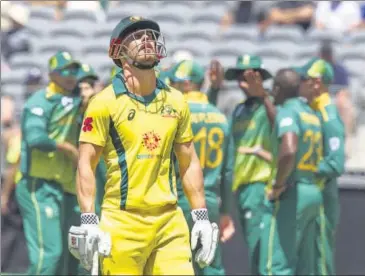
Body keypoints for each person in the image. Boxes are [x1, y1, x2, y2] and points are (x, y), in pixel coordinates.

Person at [69, 16, 219, 275]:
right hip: (122, 221)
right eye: (136, 36)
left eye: (150, 35)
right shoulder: (103, 103)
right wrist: (89, 219)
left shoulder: (176, 100)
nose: (147, 39)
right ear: (118, 51)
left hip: (169, 221)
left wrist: (201, 217)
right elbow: (86, 164)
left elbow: (189, 161)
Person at [247, 68, 323, 275]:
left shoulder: (289, 111)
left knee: (275, 266)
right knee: (304, 266)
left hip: (291, 193)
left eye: (273, 90)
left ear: (279, 89)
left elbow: (289, 149)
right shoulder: (311, 114)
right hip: (312, 191)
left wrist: (278, 185)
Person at [15, 51, 81, 275]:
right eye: (64, 70)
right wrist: (68, 148)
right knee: (49, 252)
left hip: (61, 186)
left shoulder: (75, 99)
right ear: (52, 74)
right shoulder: (39, 101)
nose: (71, 75)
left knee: (68, 252)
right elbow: (35, 139)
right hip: (38, 185)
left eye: (74, 70)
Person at [169, 60, 235, 275]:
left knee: (177, 262)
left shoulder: (173, 115)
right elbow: (228, 171)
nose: (169, 85)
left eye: (174, 81)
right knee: (211, 264)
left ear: (186, 84)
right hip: (211, 201)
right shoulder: (220, 117)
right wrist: (226, 211)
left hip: (179, 199)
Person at [210, 54, 273, 274]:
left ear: (260, 77)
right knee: (255, 250)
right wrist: (214, 90)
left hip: (262, 186)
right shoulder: (238, 109)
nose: (242, 82)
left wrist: (263, 95)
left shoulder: (270, 104)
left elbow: (281, 125)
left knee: (263, 254)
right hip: (243, 188)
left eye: (248, 76)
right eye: (239, 76)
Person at [299, 58, 346, 275]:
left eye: (304, 79)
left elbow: (335, 163)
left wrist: (306, 167)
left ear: (316, 83)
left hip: (322, 195)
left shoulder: (328, 114)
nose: (300, 83)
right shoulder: (312, 110)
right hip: (313, 193)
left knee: (321, 257)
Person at [318, 40, 354, 157]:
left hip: (337, 97)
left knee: (345, 104)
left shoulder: (340, 69)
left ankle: (344, 141)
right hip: (320, 98)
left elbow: (345, 90)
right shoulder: (317, 69)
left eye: (328, 54)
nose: (326, 56)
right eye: (324, 54)